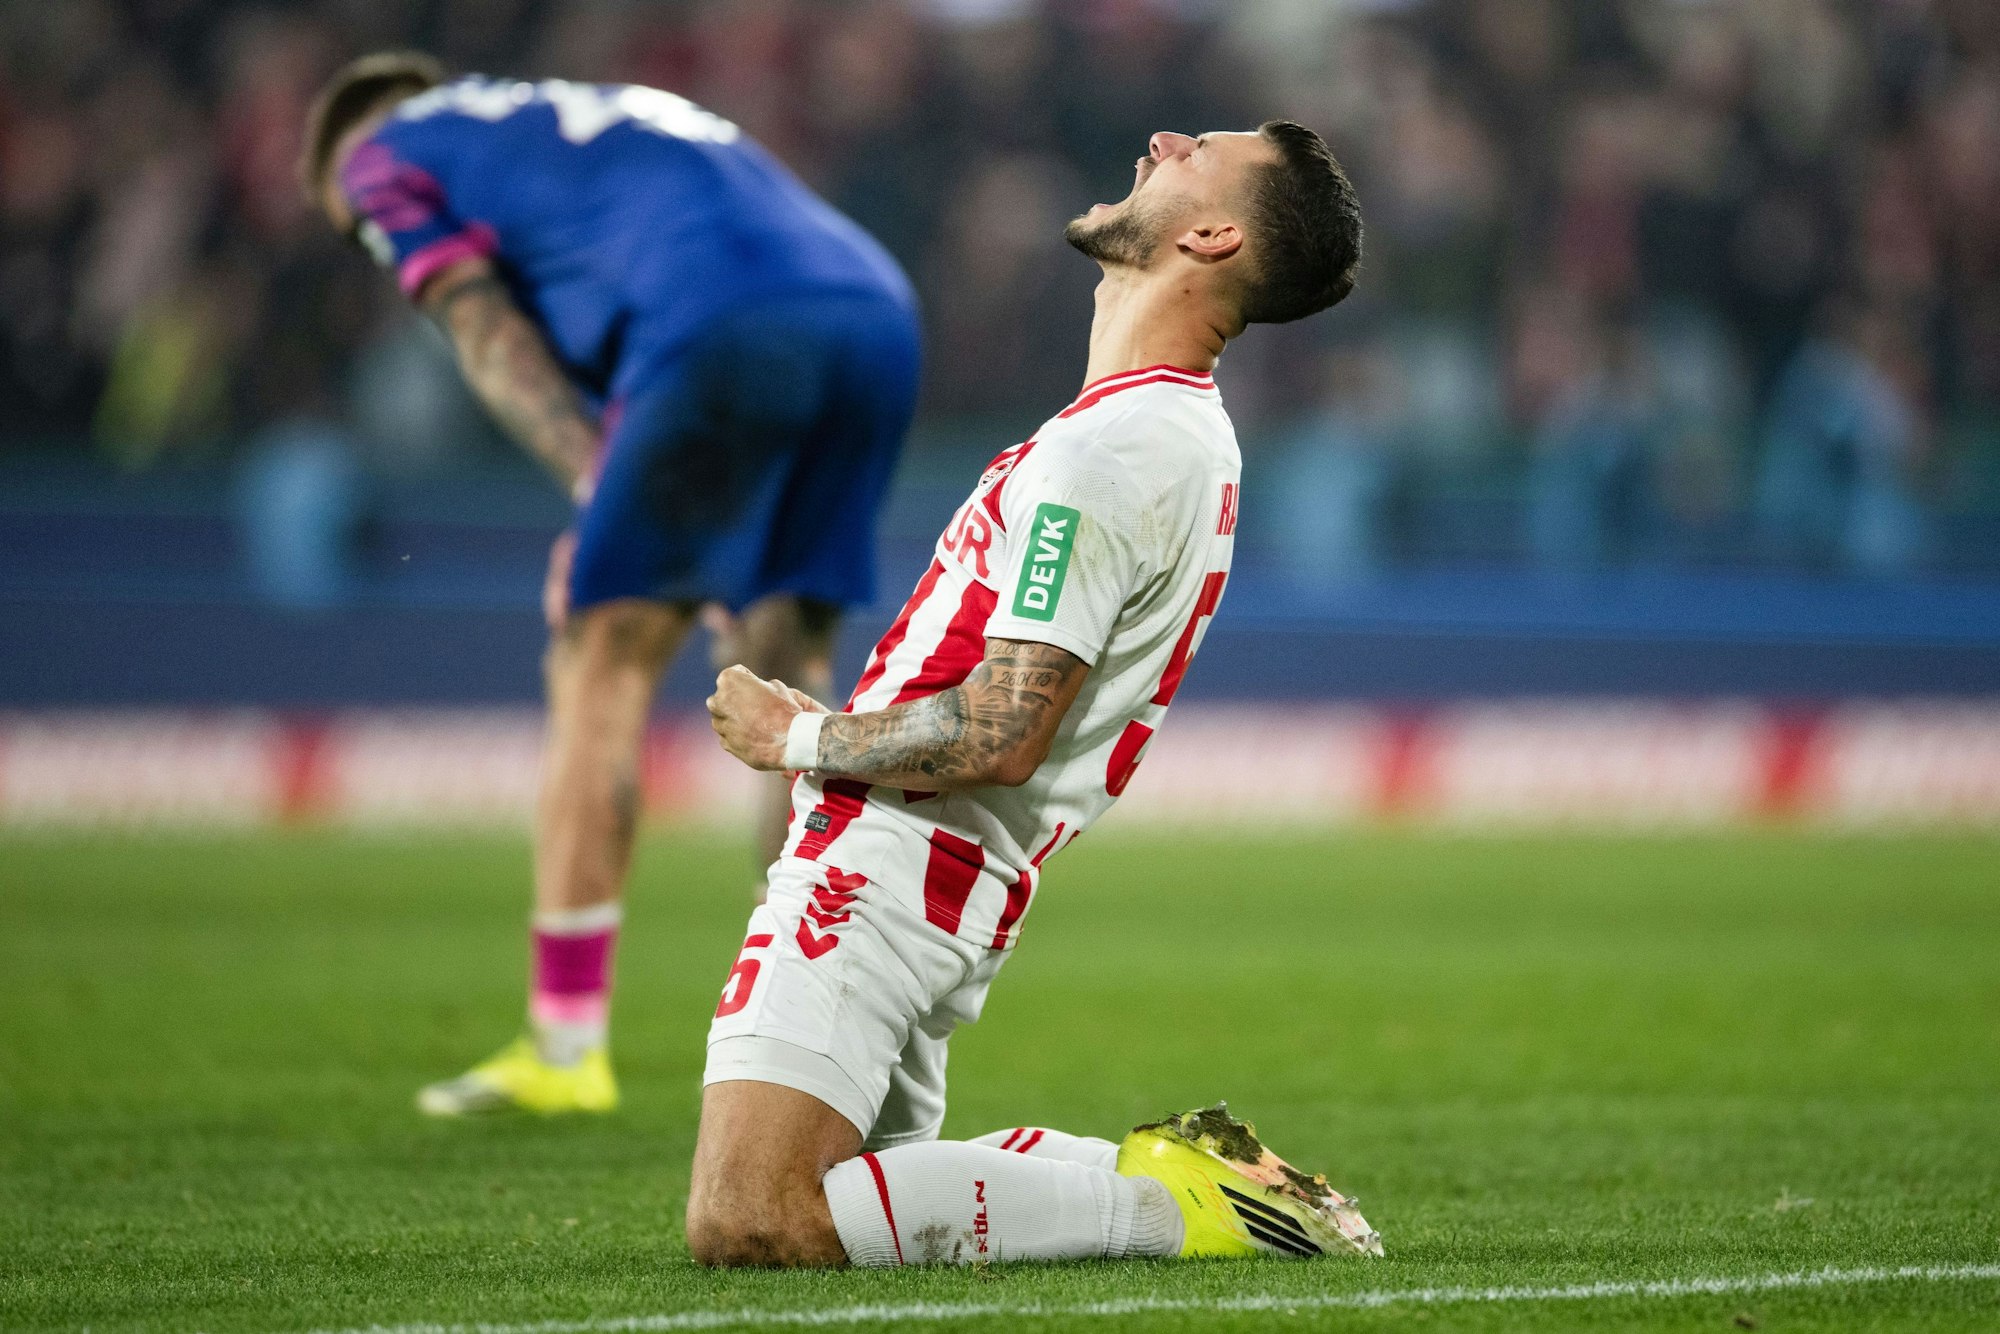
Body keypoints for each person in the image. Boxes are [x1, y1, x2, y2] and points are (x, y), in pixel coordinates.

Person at [697, 122, 1372, 1267]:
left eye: (1196, 148)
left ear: (1211, 235)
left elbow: (1006, 727)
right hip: (927, 865)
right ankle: (1151, 1176)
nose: (1161, 137)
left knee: (757, 1215)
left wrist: (797, 733)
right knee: (856, 1205)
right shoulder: (1158, 431)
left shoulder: (1121, 445)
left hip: (898, 856)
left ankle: (1175, 1208)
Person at [300, 54, 922, 1116]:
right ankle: (813, 1031)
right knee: (790, 676)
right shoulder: (560, 115)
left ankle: (563, 1044)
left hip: (716, 318)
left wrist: (600, 489)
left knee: (604, 655)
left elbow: (485, 333)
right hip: (872, 307)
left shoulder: (381, 157)